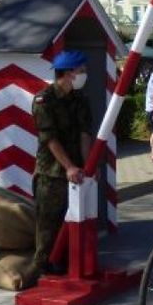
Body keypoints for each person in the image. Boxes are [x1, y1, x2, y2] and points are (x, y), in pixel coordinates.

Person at [31, 50, 93, 277]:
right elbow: (49, 139)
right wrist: (68, 167)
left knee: (74, 223)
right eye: (81, 71)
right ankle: (42, 271)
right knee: (49, 225)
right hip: (51, 173)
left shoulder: (80, 99)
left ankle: (67, 266)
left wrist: (87, 166)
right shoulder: (44, 99)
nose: (85, 75)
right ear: (68, 73)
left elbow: (85, 133)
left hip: (76, 173)